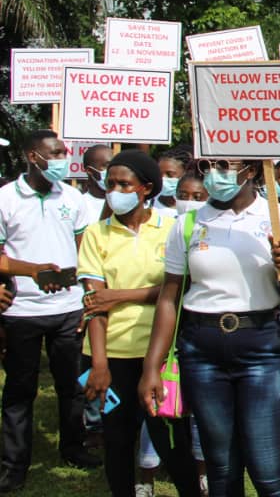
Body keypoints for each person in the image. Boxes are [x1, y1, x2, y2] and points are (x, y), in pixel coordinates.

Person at [139, 158, 280, 496]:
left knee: (268, 470)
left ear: (249, 169)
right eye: (209, 164)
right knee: (221, 468)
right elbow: (169, 297)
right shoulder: (188, 223)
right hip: (200, 351)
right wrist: (152, 367)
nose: (214, 173)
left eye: (224, 165)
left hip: (260, 347)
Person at [77, 149, 200, 497]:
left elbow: (179, 288)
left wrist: (120, 295)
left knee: (170, 439)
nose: (115, 189)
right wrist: (99, 365)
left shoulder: (171, 229)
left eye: (124, 184)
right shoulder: (95, 234)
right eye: (110, 183)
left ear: (146, 188)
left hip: (160, 355)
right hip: (109, 357)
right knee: (116, 439)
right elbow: (94, 304)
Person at [0, 130, 100, 493]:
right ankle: (14, 464)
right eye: (55, 153)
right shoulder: (6, 198)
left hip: (68, 308)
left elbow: (83, 249)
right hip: (21, 310)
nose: (62, 157)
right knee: (19, 390)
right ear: (32, 156)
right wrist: (31, 271)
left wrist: (87, 298)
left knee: (71, 386)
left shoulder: (72, 197)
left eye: (63, 152)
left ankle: (73, 448)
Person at [154, 148, 192, 218]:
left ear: (185, 174)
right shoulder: (148, 203)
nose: (163, 178)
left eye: (169, 174)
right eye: (159, 173)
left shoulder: (195, 208)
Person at [81, 144, 112, 222]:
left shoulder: (125, 202)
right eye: (106, 166)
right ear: (90, 171)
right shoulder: (80, 203)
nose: (111, 170)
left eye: (113, 165)